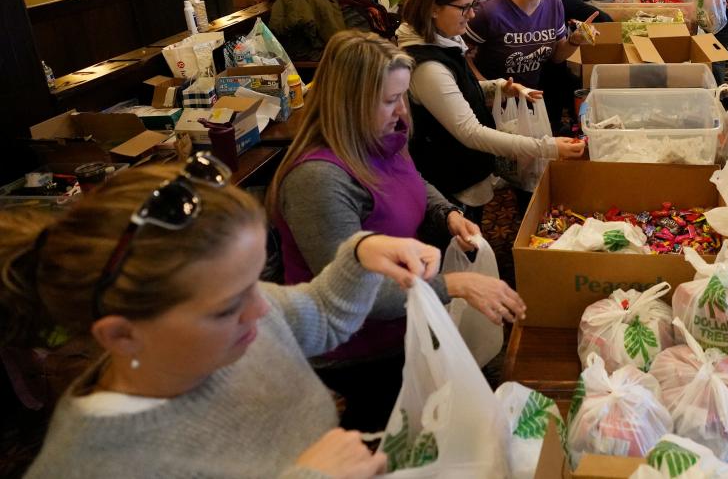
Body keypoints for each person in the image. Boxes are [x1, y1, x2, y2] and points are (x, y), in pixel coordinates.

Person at [1, 155, 442, 478]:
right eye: (228, 307)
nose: (263, 307)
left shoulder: (244, 321)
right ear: (122, 335)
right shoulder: (92, 464)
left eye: (254, 281)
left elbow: (321, 314)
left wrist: (360, 255)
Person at [271, 30, 526, 430]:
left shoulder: (381, 135)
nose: (402, 111)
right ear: (349, 103)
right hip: (357, 348)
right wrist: (453, 285)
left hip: (403, 315)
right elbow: (349, 294)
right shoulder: (318, 180)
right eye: (390, 100)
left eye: (403, 96)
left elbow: (412, 180)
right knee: (388, 432)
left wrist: (446, 214)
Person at [396, 0, 586, 224]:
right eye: (464, 7)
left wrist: (497, 88)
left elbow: (458, 89)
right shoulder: (428, 67)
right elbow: (470, 132)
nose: (471, 15)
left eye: (472, 5)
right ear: (432, 8)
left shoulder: (443, 41)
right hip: (449, 179)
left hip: (462, 171)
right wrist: (547, 147)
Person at [466, 0, 598, 131]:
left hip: (530, 104)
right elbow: (461, 57)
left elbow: (556, 56)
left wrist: (574, 40)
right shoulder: (488, 12)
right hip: (490, 108)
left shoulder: (554, 3)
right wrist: (490, 91)